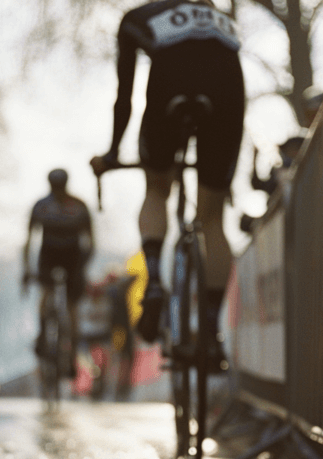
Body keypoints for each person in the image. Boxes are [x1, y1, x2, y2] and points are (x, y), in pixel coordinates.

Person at [90, 0, 245, 369]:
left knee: (157, 189)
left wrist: (112, 153)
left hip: (169, 89)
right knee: (212, 220)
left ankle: (155, 281)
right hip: (227, 91)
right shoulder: (219, 18)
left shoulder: (137, 18)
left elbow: (124, 96)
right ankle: (211, 331)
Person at [22, 169, 93, 376]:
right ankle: (44, 333)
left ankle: (70, 354)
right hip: (54, 255)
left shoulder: (46, 205)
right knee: (51, 294)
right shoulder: (74, 205)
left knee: (69, 304)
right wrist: (27, 268)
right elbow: (29, 240)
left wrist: (83, 268)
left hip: (70, 256)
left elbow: (90, 241)